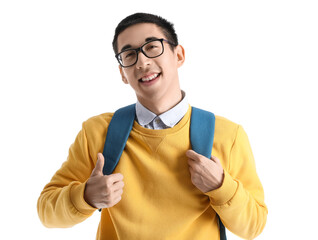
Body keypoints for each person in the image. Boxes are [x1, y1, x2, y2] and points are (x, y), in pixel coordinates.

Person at [37, 13, 268, 239]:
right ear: (122, 74)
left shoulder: (228, 135)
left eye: (152, 47)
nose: (143, 62)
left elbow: (254, 226)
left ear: (179, 55)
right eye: (129, 54)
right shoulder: (97, 132)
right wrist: (86, 196)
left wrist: (221, 186)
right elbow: (46, 212)